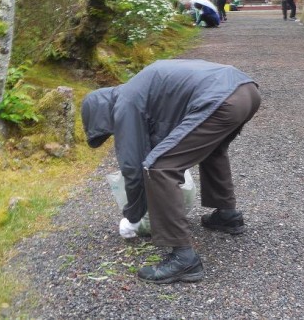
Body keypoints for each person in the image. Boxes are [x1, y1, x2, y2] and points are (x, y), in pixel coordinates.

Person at [82, 59, 261, 284]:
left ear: (101, 113)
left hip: (222, 99)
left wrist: (133, 217)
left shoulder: (125, 103)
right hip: (246, 90)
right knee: (211, 149)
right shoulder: (138, 89)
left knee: (160, 167)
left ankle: (183, 258)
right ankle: (227, 216)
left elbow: (134, 167)